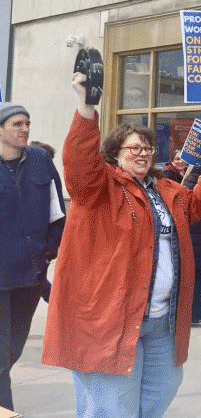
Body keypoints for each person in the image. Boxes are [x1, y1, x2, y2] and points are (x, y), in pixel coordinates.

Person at [42, 73, 201, 418]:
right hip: (111, 320)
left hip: (161, 321)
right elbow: (80, 160)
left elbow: (197, 205)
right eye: (134, 148)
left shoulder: (165, 188)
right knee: (115, 407)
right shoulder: (98, 187)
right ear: (115, 154)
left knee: (160, 393)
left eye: (148, 147)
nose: (143, 153)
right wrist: (86, 106)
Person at [0, 104, 65, 411]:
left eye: (27, 123)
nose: (24, 129)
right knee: (0, 356)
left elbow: (58, 212)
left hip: (31, 275)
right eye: (16, 123)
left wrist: (48, 252)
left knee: (12, 350)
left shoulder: (40, 160)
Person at [163, 149, 201, 326]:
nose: (181, 162)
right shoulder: (191, 177)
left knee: (193, 274)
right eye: (177, 158)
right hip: (199, 235)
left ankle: (198, 313)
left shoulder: (192, 179)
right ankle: (197, 312)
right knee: (194, 274)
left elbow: (188, 206)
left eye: (183, 159)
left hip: (193, 235)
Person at [28, 140, 63, 304]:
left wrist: (49, 251)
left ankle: (60, 304)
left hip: (41, 248)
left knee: (37, 284)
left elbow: (58, 218)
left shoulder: (50, 182)